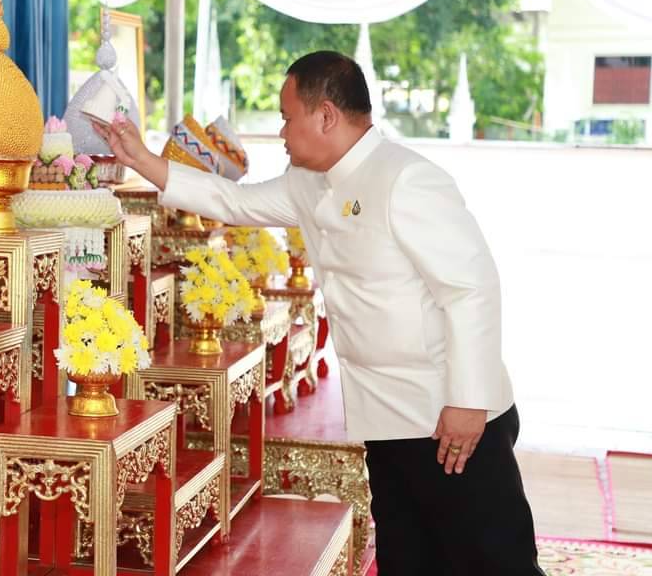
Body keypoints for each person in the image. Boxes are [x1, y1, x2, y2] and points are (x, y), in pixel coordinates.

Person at [94, 51, 545, 576]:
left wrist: (467, 402)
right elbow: (233, 202)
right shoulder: (308, 182)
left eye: (287, 118)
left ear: (326, 115)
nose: (281, 132)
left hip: (450, 416)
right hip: (387, 417)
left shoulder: (407, 178)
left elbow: (471, 290)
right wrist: (142, 160)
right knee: (409, 562)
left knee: (496, 565)